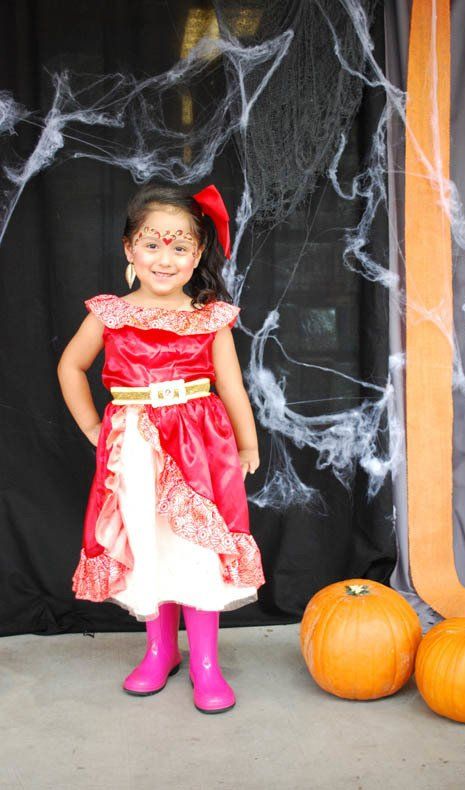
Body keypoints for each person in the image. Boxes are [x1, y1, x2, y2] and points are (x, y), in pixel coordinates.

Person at [57, 182, 265, 714]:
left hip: (201, 448)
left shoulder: (209, 317)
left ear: (197, 256)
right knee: (149, 543)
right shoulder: (110, 314)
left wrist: (246, 443)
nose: (165, 259)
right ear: (129, 250)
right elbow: (71, 367)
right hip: (136, 449)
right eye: (152, 244)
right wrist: (93, 428)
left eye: (179, 247)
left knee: (195, 549)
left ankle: (205, 663)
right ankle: (159, 651)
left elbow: (232, 386)